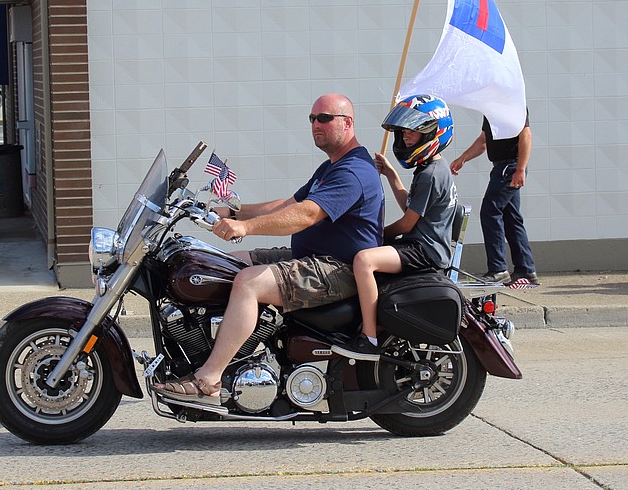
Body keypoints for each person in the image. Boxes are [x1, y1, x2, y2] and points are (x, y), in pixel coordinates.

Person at [154, 93, 385, 401]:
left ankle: (209, 379)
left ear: (348, 122)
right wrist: (231, 212)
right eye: (312, 119)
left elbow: (307, 214)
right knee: (225, 262)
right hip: (310, 258)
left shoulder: (353, 170)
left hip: (336, 268)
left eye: (325, 118)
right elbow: (288, 204)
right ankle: (223, 349)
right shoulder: (331, 167)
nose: (316, 124)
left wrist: (245, 228)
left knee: (248, 283)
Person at [345, 95, 459, 360]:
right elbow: (411, 205)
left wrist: (376, 235)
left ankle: (369, 338)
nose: (406, 137)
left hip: (423, 250)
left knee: (363, 260)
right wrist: (391, 174)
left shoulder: (431, 174)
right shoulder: (434, 168)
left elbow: (408, 222)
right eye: (404, 132)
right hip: (424, 245)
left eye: (412, 132)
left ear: (433, 133)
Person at [450, 112, 537, 289]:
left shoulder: (511, 103)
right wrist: (463, 158)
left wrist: (520, 169)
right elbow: (483, 141)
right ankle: (526, 270)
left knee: (490, 212)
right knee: (512, 218)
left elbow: (526, 134)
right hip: (503, 167)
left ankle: (498, 270)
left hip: (508, 167)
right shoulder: (491, 110)